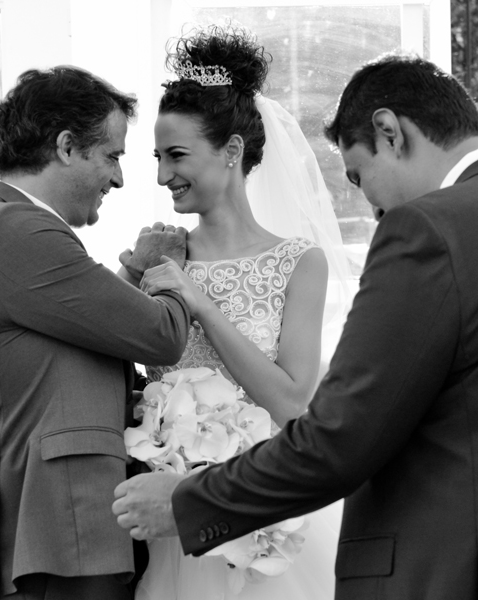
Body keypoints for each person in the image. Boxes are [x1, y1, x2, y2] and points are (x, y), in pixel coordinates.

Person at [113, 53, 478, 599]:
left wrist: (190, 503)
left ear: (390, 132)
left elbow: (340, 436)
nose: (371, 208)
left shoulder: (427, 231)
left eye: (360, 177)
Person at [0, 66, 192, 600]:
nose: (119, 179)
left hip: (64, 529)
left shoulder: (10, 225)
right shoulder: (16, 229)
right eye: (112, 156)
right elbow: (162, 336)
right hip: (52, 529)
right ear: (65, 146)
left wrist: (132, 272)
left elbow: (73, 331)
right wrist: (167, 269)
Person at [120, 25, 347, 600]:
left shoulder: (299, 263)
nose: (162, 175)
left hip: (261, 514)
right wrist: (129, 276)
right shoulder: (160, 259)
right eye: (157, 157)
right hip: (169, 517)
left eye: (177, 156)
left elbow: (291, 404)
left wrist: (199, 303)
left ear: (232, 151)